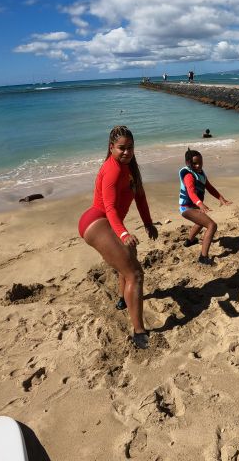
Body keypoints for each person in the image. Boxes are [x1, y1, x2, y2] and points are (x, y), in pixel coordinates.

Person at [77, 126, 158, 349]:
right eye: (121, 148)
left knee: (129, 257)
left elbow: (140, 198)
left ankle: (123, 299)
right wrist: (123, 233)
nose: (126, 152)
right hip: (96, 222)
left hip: (106, 223)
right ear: (111, 147)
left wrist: (148, 223)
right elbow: (110, 208)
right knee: (136, 273)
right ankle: (139, 331)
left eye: (130, 148)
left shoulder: (130, 168)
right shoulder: (112, 169)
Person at [179, 148, 231, 265]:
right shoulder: (188, 175)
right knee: (212, 225)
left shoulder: (200, 173)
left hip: (194, 207)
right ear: (188, 163)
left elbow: (210, 187)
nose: (198, 166)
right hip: (186, 208)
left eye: (200, 163)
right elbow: (191, 192)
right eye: (195, 163)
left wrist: (221, 198)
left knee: (201, 221)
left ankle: (189, 241)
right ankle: (203, 257)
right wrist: (200, 204)